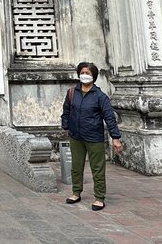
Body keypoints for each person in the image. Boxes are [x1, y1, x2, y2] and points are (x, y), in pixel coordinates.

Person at [61, 62, 123, 211]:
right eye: (83, 72)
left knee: (97, 168)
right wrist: (66, 125)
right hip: (76, 136)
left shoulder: (100, 96)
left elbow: (109, 117)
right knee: (76, 166)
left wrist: (115, 137)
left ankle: (99, 197)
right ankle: (76, 192)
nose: (85, 75)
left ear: (93, 76)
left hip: (94, 136)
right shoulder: (72, 92)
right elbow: (66, 111)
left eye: (88, 73)